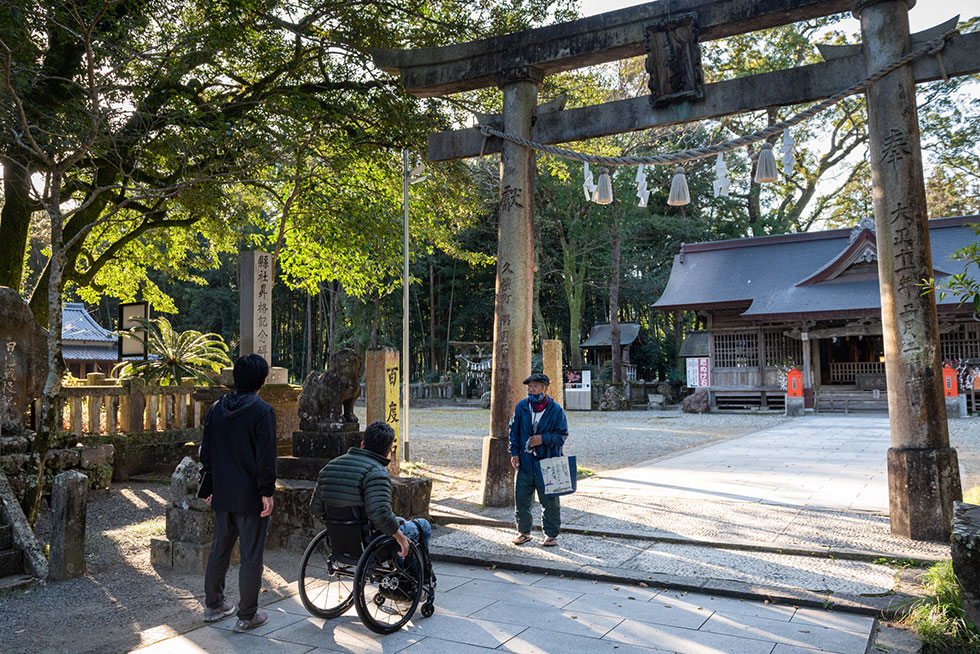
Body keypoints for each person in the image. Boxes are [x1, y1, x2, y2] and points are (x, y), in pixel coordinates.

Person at [200, 354, 277, 633]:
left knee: (220, 547)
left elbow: (206, 452)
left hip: (222, 493)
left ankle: (214, 605)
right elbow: (266, 458)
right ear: (263, 380)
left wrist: (207, 487)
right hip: (251, 496)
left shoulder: (216, 408)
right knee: (251, 556)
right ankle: (247, 615)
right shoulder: (262, 411)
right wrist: (267, 492)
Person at [310, 421, 432, 573]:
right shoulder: (376, 473)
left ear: (362, 444)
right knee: (423, 526)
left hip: (337, 541)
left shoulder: (330, 467)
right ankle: (415, 581)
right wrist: (400, 537)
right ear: (387, 451)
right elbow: (381, 514)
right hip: (370, 544)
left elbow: (316, 509)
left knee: (396, 524)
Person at [509, 372, 568, 547]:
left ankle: (551, 535)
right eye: (529, 386)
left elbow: (562, 435)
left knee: (549, 501)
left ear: (545, 388)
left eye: (535, 386)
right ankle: (524, 533)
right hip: (525, 462)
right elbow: (513, 432)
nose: (531, 389)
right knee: (521, 498)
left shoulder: (555, 410)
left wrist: (544, 438)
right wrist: (514, 453)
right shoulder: (522, 407)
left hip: (548, 462)